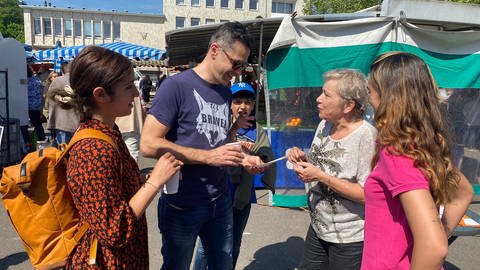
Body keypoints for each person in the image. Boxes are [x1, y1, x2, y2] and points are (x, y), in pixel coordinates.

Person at [140, 22, 263, 270]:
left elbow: (218, 142)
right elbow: (148, 144)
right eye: (236, 63)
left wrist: (240, 156)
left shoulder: (224, 91)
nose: (238, 72)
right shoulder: (176, 86)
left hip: (220, 200)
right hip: (182, 204)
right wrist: (208, 157)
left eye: (243, 66)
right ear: (215, 50)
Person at [65, 45, 183, 269]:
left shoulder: (107, 133)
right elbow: (114, 230)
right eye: (129, 87)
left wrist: (147, 177)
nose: (137, 93)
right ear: (101, 94)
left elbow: (115, 192)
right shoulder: (93, 151)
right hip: (105, 262)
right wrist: (156, 181)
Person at [361, 52, 474, 269]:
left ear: (387, 96)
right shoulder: (419, 145)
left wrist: (434, 236)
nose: (369, 100)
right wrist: (438, 231)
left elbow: (435, 247)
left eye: (370, 92)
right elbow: (464, 193)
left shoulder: (397, 153)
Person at [287, 69, 376, 270]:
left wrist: (319, 175)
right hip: (319, 228)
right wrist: (303, 159)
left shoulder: (367, 137)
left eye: (326, 95)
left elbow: (367, 194)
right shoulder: (324, 125)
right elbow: (321, 162)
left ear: (348, 105)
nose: (318, 99)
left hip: (349, 239)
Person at [193, 82, 276, 269]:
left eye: (247, 102)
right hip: (216, 192)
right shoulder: (218, 123)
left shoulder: (257, 130)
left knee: (234, 241)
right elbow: (209, 148)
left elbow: (265, 156)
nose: (243, 106)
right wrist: (233, 131)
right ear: (229, 103)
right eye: (237, 101)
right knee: (206, 244)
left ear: (253, 105)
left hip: (242, 195)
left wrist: (259, 163)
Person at [46, 63, 80, 146]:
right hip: (78, 121)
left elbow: (49, 100)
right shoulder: (79, 81)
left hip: (60, 121)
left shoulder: (56, 81)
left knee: (63, 151)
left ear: (62, 71)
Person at [27, 65, 46, 143]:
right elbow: (41, 92)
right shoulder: (37, 80)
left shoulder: (25, 80)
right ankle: (42, 140)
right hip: (36, 105)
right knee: (38, 124)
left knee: (24, 125)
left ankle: (28, 142)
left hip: (27, 105)